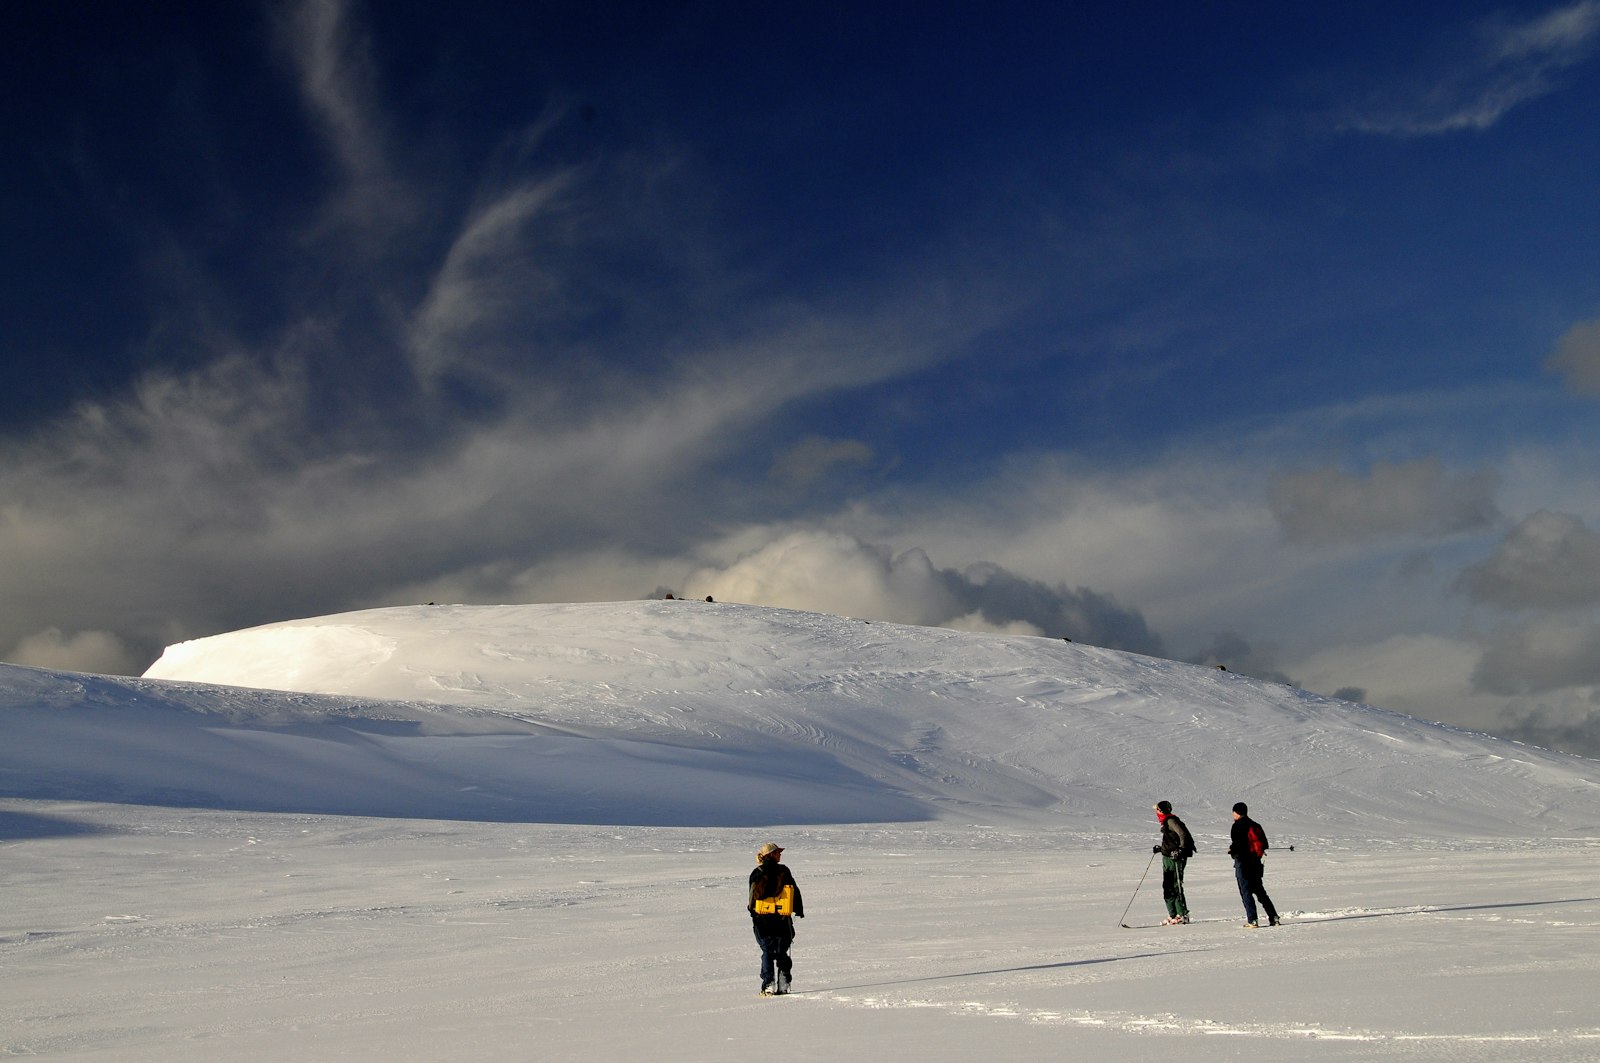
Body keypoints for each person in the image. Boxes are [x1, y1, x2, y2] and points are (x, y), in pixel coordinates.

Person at [748, 841, 805, 995]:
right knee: (781, 951)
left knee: (767, 950)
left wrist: (754, 914)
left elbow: (752, 898)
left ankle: (768, 984)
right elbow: (794, 891)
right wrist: (798, 910)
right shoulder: (783, 871)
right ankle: (784, 981)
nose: (780, 854)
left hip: (762, 919)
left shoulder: (757, 872)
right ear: (771, 854)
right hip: (781, 919)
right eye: (778, 852)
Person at [1228, 802, 1280, 928]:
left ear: (1237, 812)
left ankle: (1252, 920)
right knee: (1260, 891)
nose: (1232, 814)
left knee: (1246, 892)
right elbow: (1265, 844)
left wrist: (1231, 850)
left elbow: (1237, 845)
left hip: (1242, 863)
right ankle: (1273, 917)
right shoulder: (1255, 825)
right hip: (1256, 863)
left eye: (1233, 812)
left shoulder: (1237, 826)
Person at [1152, 800, 1194, 924]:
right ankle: (1173, 914)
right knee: (1168, 886)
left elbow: (1183, 834)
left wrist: (1180, 850)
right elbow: (1172, 839)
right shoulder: (1166, 821)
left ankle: (1181, 914)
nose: (1156, 812)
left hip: (1175, 858)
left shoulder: (1171, 821)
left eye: (1158, 810)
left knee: (1175, 885)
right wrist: (1162, 849)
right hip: (1167, 857)